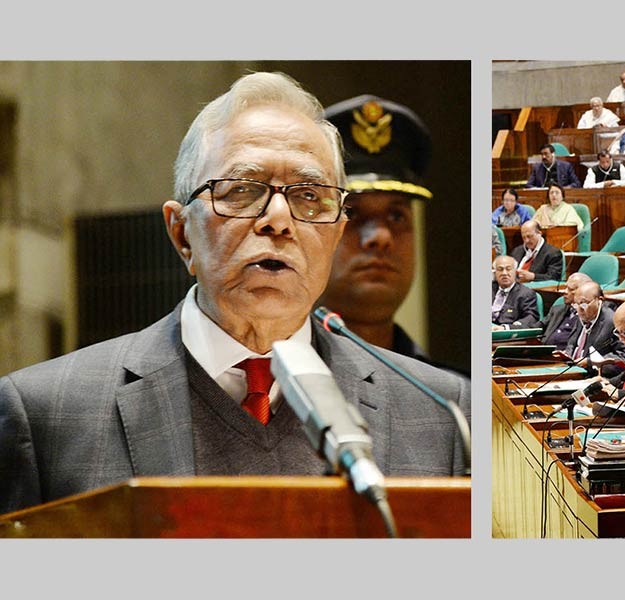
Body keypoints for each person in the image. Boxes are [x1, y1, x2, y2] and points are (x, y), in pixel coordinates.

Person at [0, 72, 471, 515]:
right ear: (181, 233)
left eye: (310, 195)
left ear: (335, 233)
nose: (279, 220)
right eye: (243, 189)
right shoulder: (46, 415)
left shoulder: (442, 415)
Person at [319, 93, 433, 363]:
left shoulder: (455, 396)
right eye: (352, 212)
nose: (380, 237)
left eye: (396, 216)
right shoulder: (267, 390)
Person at [564, 281, 625, 378]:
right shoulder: (582, 315)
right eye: (576, 304)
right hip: (571, 371)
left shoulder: (613, 322)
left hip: (594, 376)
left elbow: (623, 358)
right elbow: (572, 344)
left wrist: (591, 363)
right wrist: (566, 355)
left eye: (584, 303)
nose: (579, 309)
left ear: (600, 300)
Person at [530, 272, 592, 349]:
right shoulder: (557, 310)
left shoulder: (589, 315)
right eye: (565, 287)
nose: (565, 291)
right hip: (545, 352)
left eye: (570, 289)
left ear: (584, 292)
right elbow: (536, 328)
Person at [491, 255, 539, 330]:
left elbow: (531, 317)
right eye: (500, 269)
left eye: (508, 269)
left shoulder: (526, 293)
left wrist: (508, 328)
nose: (504, 273)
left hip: (506, 334)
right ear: (495, 272)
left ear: (515, 272)